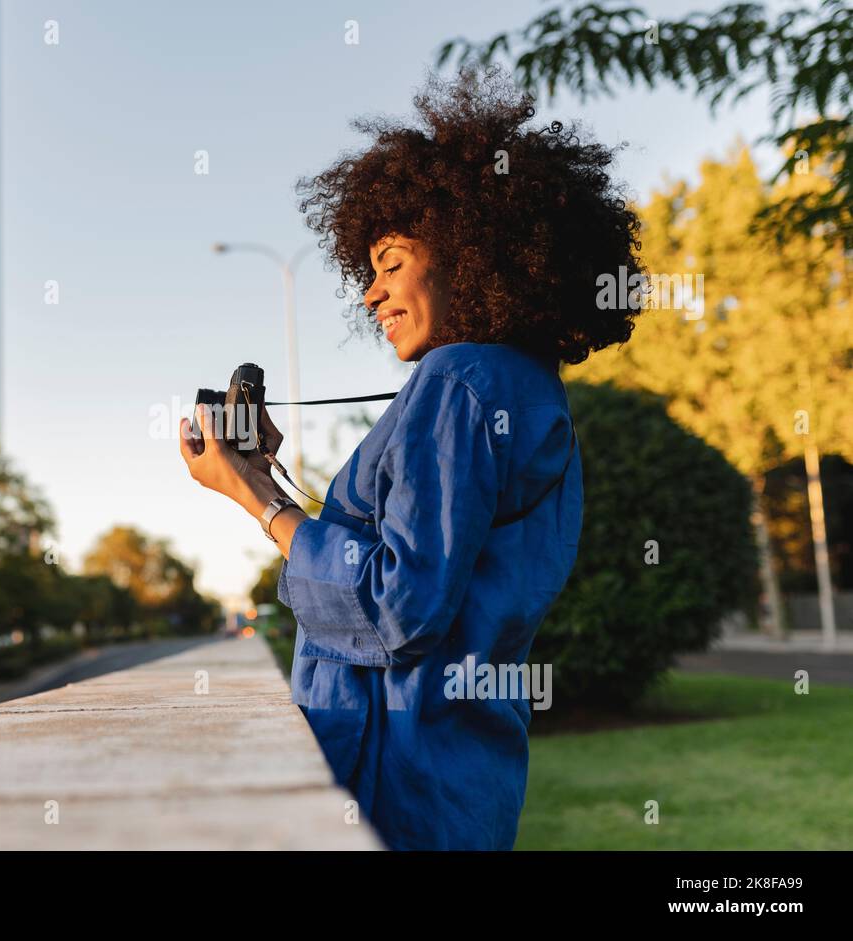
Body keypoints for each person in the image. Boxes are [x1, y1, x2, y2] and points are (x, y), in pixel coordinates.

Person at [177, 69, 645, 850]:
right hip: (460, 774)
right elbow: (428, 572)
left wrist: (259, 502)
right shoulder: (526, 390)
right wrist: (265, 479)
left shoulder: (460, 379)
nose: (370, 294)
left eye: (391, 263)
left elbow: (398, 604)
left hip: (391, 782)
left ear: (474, 252)